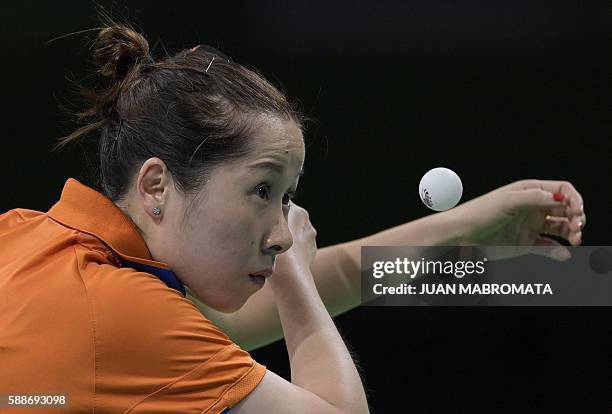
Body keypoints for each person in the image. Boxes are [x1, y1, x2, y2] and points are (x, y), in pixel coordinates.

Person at [0, 21, 585, 414]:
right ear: (158, 185)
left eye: (286, 198)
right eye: (260, 191)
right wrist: (296, 278)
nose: (283, 232)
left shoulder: (27, 237)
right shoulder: (125, 316)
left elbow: (241, 317)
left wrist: (466, 229)